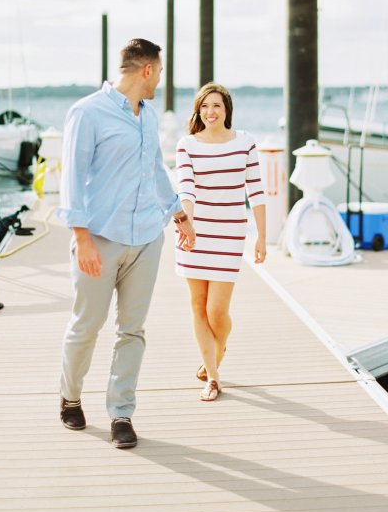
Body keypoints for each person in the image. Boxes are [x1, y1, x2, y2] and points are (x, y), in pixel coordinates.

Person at [57, 38, 195, 448]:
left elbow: (156, 170)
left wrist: (178, 214)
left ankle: (121, 413)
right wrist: (81, 237)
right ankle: (70, 397)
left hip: (147, 238)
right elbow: (70, 177)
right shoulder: (87, 113)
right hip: (99, 239)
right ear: (147, 70)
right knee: (87, 326)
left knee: (132, 330)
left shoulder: (148, 116)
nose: (159, 81)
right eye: (160, 72)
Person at [175, 82, 267, 401]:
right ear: (197, 111)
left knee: (216, 311)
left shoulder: (245, 143)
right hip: (195, 233)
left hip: (229, 234)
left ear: (227, 109)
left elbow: (256, 191)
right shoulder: (187, 145)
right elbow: (186, 189)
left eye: (216, 105)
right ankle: (213, 377)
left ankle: (218, 349)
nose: (210, 112)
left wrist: (262, 237)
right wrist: (187, 225)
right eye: (204, 106)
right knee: (197, 306)